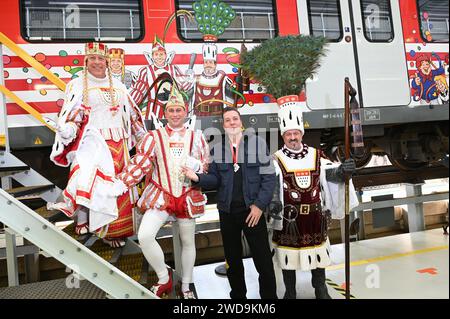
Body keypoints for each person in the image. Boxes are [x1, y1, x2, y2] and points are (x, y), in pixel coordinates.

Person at [114, 85, 209, 299]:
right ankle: (164, 278)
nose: (175, 114)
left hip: (187, 197)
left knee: (188, 242)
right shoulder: (153, 137)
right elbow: (141, 164)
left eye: (179, 110)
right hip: (161, 196)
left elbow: (206, 166)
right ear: (164, 114)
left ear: (185, 112)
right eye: (171, 111)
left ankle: (186, 286)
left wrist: (198, 167)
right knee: (145, 235)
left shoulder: (198, 137)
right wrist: (121, 182)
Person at [48, 42, 146, 248]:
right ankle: (84, 219)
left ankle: (115, 232)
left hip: (118, 145)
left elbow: (132, 115)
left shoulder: (119, 85)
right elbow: (75, 115)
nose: (97, 62)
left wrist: (143, 138)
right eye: (92, 58)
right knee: (88, 182)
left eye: (101, 59)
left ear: (107, 62)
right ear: (86, 61)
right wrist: (69, 130)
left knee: (118, 188)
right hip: (92, 143)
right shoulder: (77, 85)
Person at [182, 107, 278, 299]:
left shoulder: (257, 144)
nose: (232, 122)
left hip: (252, 212)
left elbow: (269, 178)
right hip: (227, 213)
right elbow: (215, 180)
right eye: (228, 120)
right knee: (233, 262)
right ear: (223, 125)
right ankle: (238, 298)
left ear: (241, 122)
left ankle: (269, 299)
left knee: (263, 261)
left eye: (235, 119)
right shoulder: (217, 149)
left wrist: (259, 206)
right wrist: (197, 178)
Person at [269, 96, 357, 299]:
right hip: (289, 219)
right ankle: (290, 292)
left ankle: (321, 289)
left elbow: (330, 176)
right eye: (288, 134)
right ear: (283, 136)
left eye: (296, 133)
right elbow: (271, 185)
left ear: (302, 133)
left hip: (315, 217)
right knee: (287, 255)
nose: (292, 137)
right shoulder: (276, 159)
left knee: (318, 254)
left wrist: (343, 171)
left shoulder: (317, 155)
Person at [129, 35, 187, 118]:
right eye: (156, 54)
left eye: (161, 54)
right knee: (153, 130)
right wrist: (129, 104)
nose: (159, 57)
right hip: (153, 109)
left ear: (166, 55)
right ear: (152, 56)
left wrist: (190, 79)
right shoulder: (145, 71)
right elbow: (139, 91)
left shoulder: (174, 69)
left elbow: (183, 86)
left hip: (172, 109)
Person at [190, 42, 234, 116]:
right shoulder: (196, 79)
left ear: (215, 64)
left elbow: (233, 95)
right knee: (197, 127)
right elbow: (187, 95)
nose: (208, 65)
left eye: (210, 62)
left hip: (217, 115)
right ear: (203, 64)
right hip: (198, 115)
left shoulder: (223, 79)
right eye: (206, 62)